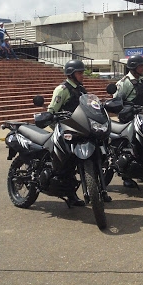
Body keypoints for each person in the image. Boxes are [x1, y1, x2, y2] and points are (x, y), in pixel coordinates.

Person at [46, 60, 96, 206]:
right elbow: (51, 112)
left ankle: (97, 191)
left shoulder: (81, 90)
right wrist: (59, 131)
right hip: (66, 133)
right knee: (66, 165)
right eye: (79, 73)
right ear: (71, 74)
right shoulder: (62, 90)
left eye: (82, 72)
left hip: (80, 131)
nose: (82, 75)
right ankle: (71, 194)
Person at [114, 55, 143, 187]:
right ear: (133, 67)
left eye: (142, 66)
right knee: (130, 148)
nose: (142, 68)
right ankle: (126, 176)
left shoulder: (142, 82)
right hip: (129, 120)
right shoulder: (124, 83)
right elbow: (116, 102)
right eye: (140, 66)